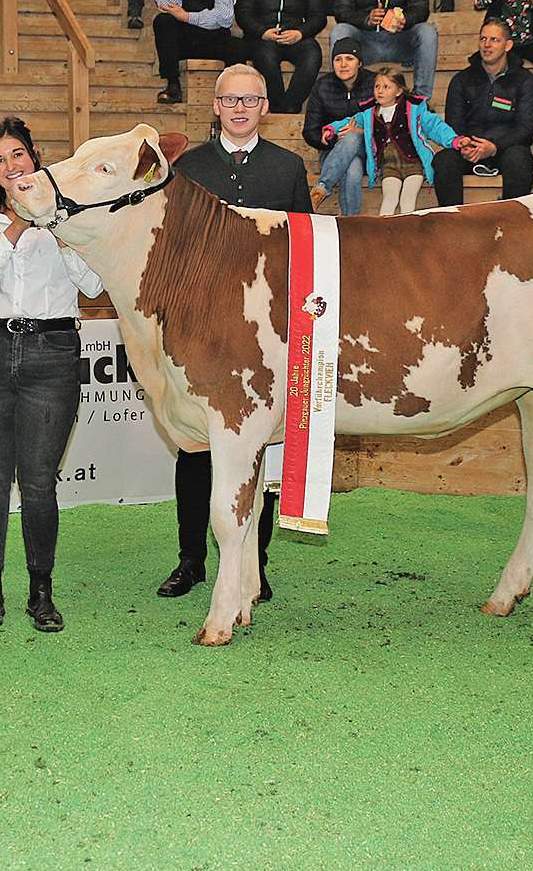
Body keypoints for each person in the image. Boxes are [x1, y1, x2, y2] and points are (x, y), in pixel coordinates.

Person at [160, 63, 309, 600]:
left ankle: (255, 565)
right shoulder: (187, 167)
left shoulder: (288, 167)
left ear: (265, 107)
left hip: (265, 337)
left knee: (253, 456)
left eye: (251, 99)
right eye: (231, 100)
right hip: (199, 331)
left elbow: (305, 248)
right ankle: (191, 560)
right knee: (197, 448)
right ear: (216, 106)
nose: (241, 108)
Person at [0, 117, 102, 632]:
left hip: (53, 350)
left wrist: (59, 231)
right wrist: (17, 225)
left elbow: (92, 286)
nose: (11, 166)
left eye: (17, 154)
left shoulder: (71, 217)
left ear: (34, 156)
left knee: (40, 483)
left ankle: (41, 592)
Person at [323, 64, 463, 216]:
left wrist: (454, 140)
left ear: (399, 91)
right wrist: (332, 129)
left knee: (407, 200)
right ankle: (384, 235)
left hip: (412, 164)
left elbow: (435, 126)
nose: (380, 91)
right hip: (389, 167)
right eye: (377, 86)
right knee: (389, 199)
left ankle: (406, 236)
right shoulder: (369, 112)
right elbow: (349, 121)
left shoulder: (414, 108)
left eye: (386, 87)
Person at [442, 18, 533, 204]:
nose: (487, 45)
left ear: (508, 45)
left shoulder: (525, 80)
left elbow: (526, 126)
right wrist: (464, 144)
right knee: (444, 161)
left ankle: (511, 225)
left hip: (506, 148)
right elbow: (454, 122)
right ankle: (452, 225)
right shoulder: (462, 79)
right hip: (469, 147)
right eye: (483, 39)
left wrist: (495, 147)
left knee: (519, 160)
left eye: (494, 40)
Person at [238, 0, 326, 114]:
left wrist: (300, 33)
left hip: (295, 35)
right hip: (263, 36)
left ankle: (291, 105)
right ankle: (277, 106)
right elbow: (243, 13)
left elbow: (318, 17)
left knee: (313, 54)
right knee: (265, 56)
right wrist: (263, 32)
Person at [305, 42, 373, 214]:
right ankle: (350, 222)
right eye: (338, 59)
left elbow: (389, 124)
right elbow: (310, 131)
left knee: (352, 137)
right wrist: (329, 137)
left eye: (349, 59)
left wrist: (361, 133)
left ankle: (321, 187)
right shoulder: (322, 86)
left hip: (371, 151)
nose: (343, 64)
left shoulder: (375, 84)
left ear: (360, 63)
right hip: (331, 154)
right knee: (353, 168)